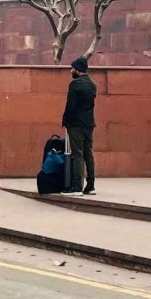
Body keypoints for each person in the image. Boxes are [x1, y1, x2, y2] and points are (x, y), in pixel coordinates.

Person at [62, 57, 97, 196]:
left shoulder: (75, 84)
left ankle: (76, 187)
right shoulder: (92, 84)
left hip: (76, 124)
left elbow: (70, 106)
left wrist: (66, 121)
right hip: (89, 124)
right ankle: (91, 185)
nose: (71, 71)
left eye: (72, 68)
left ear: (77, 70)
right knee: (89, 154)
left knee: (77, 154)